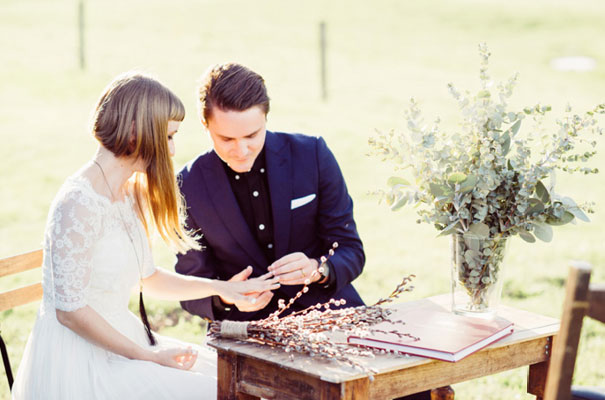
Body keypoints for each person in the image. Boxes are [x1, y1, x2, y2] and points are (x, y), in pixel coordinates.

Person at [11, 72, 279, 400]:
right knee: (217, 392)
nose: (172, 150)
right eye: (168, 137)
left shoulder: (130, 192)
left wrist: (223, 289)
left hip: (124, 339)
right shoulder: (77, 203)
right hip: (82, 359)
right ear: (136, 131)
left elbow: (147, 278)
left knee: (233, 379)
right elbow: (70, 313)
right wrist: (148, 358)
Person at [175, 63, 365, 322]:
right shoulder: (186, 185)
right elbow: (189, 286)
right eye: (227, 139)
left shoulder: (313, 155)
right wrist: (227, 296)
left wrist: (318, 269)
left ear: (266, 117)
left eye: (252, 135)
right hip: (245, 328)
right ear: (204, 124)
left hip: (330, 314)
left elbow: (351, 249)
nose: (241, 151)